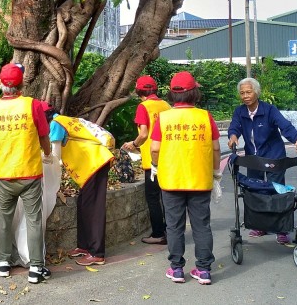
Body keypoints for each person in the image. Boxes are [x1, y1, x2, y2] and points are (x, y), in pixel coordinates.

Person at [150, 72, 220, 285]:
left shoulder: (164, 118)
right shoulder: (205, 116)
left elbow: (154, 148)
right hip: (200, 179)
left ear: (172, 94)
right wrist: (216, 173)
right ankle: (204, 270)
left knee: (174, 225)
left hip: (171, 180)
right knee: (201, 225)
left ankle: (177, 268)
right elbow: (216, 148)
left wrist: (155, 166)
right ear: (194, 93)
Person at [0, 63, 53, 284]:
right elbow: (44, 136)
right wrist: (48, 153)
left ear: (0, 84)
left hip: (4, 173)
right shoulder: (32, 105)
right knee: (33, 219)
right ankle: (35, 268)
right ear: (22, 84)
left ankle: (3, 263)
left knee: (3, 218)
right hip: (30, 173)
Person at [227, 77, 297, 244]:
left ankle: (281, 229)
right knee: (256, 190)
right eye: (242, 93)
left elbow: (285, 126)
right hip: (253, 158)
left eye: (248, 92)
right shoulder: (240, 112)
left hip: (274, 157)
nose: (245, 96)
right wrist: (233, 137)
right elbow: (234, 127)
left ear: (257, 92)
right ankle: (260, 225)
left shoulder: (269, 110)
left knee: (276, 191)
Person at [45, 104, 114, 266]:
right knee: (83, 203)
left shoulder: (56, 124)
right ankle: (84, 246)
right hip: (91, 164)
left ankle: (97, 253)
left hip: (94, 164)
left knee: (94, 207)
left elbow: (55, 155)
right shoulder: (64, 120)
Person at [121, 75, 171, 245]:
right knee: (167, 197)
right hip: (168, 157)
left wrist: (133, 144)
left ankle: (158, 234)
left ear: (138, 90)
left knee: (152, 197)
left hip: (152, 159)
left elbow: (143, 134)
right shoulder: (165, 105)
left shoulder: (143, 107)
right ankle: (171, 230)